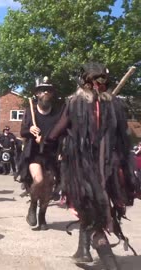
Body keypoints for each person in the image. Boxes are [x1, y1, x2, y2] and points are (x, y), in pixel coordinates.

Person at [45, 63, 140, 269]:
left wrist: (47, 144)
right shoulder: (115, 104)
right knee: (95, 209)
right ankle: (83, 250)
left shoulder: (75, 103)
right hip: (111, 170)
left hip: (82, 169)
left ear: (83, 82)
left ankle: (108, 260)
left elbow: (55, 134)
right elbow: (127, 138)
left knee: (89, 211)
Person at [14, 76, 61, 231]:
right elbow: (22, 131)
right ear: (37, 95)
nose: (46, 92)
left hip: (51, 154)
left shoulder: (57, 113)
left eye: (48, 90)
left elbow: (61, 132)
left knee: (48, 187)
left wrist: (47, 139)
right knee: (39, 180)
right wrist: (30, 130)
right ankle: (33, 206)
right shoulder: (30, 111)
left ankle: (42, 216)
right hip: (34, 154)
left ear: (52, 95)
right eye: (42, 90)